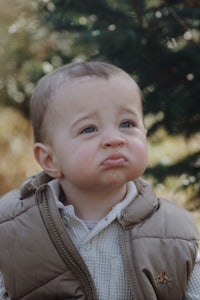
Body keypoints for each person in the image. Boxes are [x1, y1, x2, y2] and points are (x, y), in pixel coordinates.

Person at [0, 61, 199, 300]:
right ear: (50, 159)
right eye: (89, 129)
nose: (114, 139)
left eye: (127, 124)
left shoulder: (174, 232)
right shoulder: (12, 230)